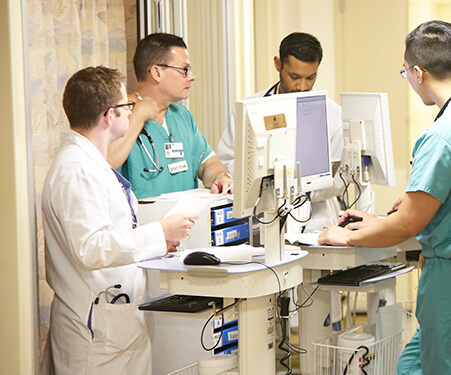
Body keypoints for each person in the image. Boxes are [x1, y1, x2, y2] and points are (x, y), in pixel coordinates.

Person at [319, 20, 451, 374]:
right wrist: (384, 221)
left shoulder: (443, 135)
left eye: (405, 73)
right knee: (412, 366)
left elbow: (409, 224)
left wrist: (347, 235)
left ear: (417, 72)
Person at [41, 66, 197, 374]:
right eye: (127, 106)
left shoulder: (91, 163)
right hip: (95, 332)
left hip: (115, 319)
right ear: (109, 116)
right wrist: (158, 231)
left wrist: (158, 243)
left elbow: (111, 233)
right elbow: (91, 248)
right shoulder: (76, 170)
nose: (131, 111)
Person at [215, 32, 344, 230]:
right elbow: (226, 162)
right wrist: (266, 182)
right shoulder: (250, 109)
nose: (302, 86)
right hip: (262, 220)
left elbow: (338, 178)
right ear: (278, 64)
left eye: (311, 77)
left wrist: (296, 187)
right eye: (294, 77)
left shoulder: (332, 114)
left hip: (316, 222)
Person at [110, 33, 233, 199]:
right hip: (145, 223)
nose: (192, 77)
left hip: (185, 221)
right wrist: (139, 115)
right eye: (185, 70)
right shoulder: (119, 113)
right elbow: (105, 164)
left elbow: (207, 163)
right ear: (157, 72)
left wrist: (220, 177)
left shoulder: (182, 116)